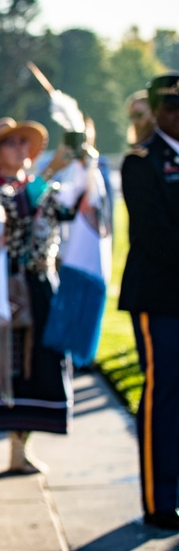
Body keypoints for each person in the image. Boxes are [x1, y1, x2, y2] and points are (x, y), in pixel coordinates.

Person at [0, 118, 73, 474]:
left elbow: (65, 212)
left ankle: (19, 448)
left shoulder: (38, 187)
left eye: (25, 143)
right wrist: (49, 176)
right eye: (12, 143)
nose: (21, 150)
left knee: (35, 364)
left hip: (38, 284)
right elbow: (9, 212)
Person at [119, 72, 179, 530]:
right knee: (164, 395)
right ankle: (160, 500)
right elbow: (158, 234)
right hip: (161, 296)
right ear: (160, 111)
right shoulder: (141, 162)